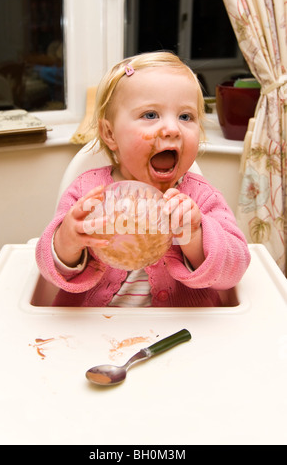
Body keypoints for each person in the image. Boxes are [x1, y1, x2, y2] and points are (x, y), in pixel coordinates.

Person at [36, 51, 250, 307]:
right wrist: (67, 242)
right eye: (150, 115)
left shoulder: (202, 199)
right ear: (110, 133)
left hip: (181, 332)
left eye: (186, 117)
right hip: (95, 333)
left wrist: (195, 235)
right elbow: (49, 271)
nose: (172, 129)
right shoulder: (86, 194)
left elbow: (235, 270)